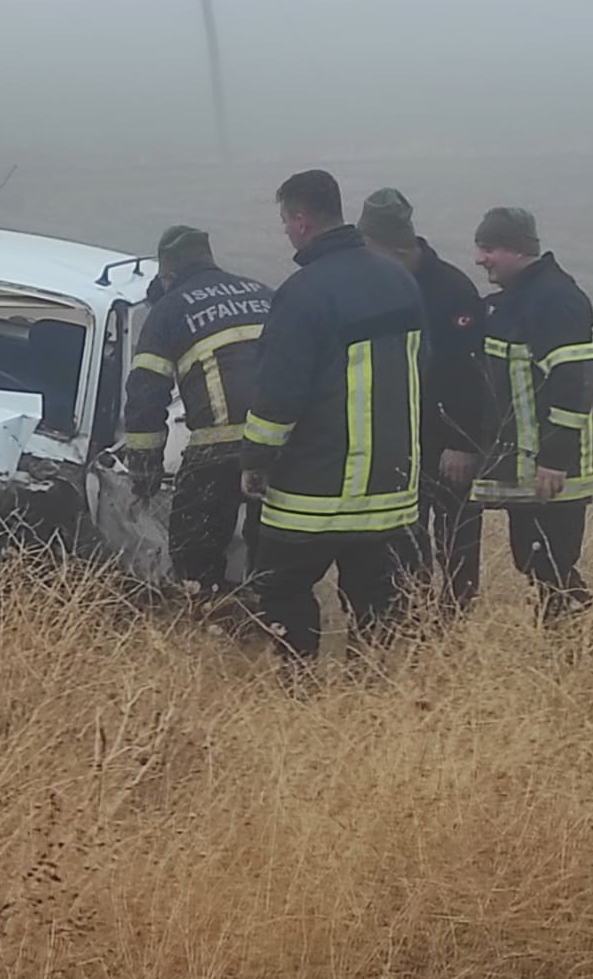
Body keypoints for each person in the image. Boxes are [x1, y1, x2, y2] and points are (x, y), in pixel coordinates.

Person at [241, 170, 427, 661]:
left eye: (285, 220)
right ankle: (370, 703)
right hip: (389, 494)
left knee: (281, 593)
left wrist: (256, 459)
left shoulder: (304, 293)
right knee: (377, 607)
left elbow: (279, 393)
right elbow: (419, 372)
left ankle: (298, 697)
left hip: (314, 493)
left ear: (301, 220)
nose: (285, 230)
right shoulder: (401, 283)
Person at [358, 188, 489, 611]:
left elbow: (471, 373)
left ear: (393, 246)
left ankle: (454, 623)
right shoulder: (377, 286)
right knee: (405, 538)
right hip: (402, 441)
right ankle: (410, 618)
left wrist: (464, 443)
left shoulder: (452, 290)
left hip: (449, 442)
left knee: (457, 540)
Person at [122, 224, 272, 593]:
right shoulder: (263, 293)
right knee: (272, 549)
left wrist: (144, 474)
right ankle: (267, 614)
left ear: (168, 274)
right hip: (279, 442)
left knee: (194, 550)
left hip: (219, 448)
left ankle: (207, 618)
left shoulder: (169, 310)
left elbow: (145, 396)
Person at [469, 207, 593, 621]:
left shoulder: (555, 300)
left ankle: (576, 652)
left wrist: (553, 459)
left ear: (518, 250)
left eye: (489, 248)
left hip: (551, 474)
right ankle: (567, 646)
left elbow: (574, 383)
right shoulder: (519, 300)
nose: (480, 259)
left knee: (551, 569)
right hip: (528, 470)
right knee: (533, 562)